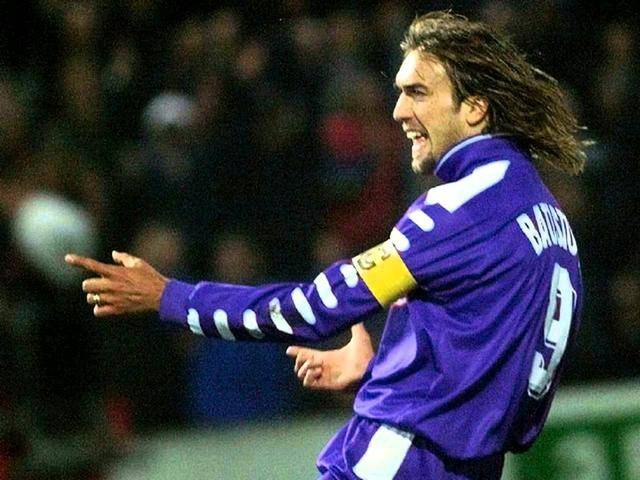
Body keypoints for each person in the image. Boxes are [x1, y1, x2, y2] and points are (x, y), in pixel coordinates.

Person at [66, 11, 586, 479]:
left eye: (418, 92)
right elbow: (491, 376)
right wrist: (384, 372)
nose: (398, 111)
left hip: (397, 461)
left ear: (474, 108)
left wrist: (170, 297)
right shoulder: (548, 222)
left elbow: (313, 310)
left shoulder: (460, 211)